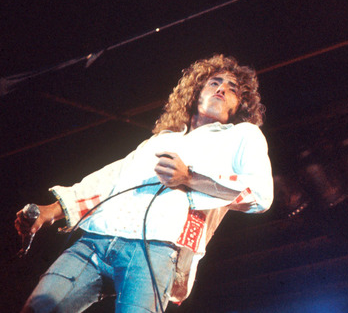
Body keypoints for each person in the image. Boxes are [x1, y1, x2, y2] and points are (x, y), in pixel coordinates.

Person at [15, 54, 274, 312]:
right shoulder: (161, 139)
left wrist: (189, 178)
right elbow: (112, 178)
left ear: (239, 105)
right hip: (96, 237)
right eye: (214, 82)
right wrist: (52, 210)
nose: (222, 89)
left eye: (232, 89)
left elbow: (260, 195)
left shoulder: (243, 135)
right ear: (196, 93)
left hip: (156, 249)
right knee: (37, 308)